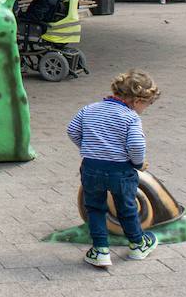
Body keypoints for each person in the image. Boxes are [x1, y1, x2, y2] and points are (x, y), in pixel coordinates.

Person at [68, 69, 161, 268]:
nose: (145, 108)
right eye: (147, 104)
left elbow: (72, 130)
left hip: (91, 167)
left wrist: (89, 148)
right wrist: (137, 163)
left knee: (94, 208)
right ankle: (137, 244)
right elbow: (136, 145)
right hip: (121, 170)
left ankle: (100, 250)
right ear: (137, 100)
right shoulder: (130, 117)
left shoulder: (89, 109)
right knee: (126, 208)